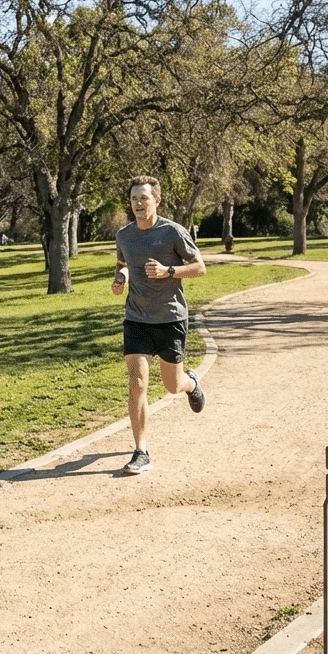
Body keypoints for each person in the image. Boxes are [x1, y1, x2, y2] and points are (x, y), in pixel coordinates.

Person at [110, 175, 207, 475]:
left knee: (171, 385)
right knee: (137, 384)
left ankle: (190, 383)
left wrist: (169, 271)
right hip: (137, 318)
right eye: (134, 199)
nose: (138, 203)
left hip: (170, 318)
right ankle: (141, 451)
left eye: (144, 198)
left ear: (157, 201)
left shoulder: (172, 232)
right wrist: (121, 279)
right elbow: (123, 263)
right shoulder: (124, 235)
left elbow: (200, 267)